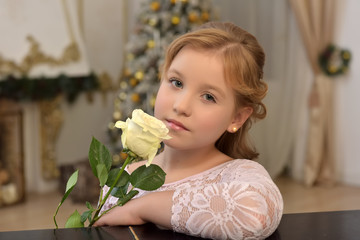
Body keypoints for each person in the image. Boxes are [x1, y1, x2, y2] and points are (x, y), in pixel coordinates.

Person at [94, 21, 283, 239]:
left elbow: (253, 216)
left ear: (237, 118)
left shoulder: (239, 175)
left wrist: (140, 208)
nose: (181, 106)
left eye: (208, 97)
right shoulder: (123, 179)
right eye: (176, 82)